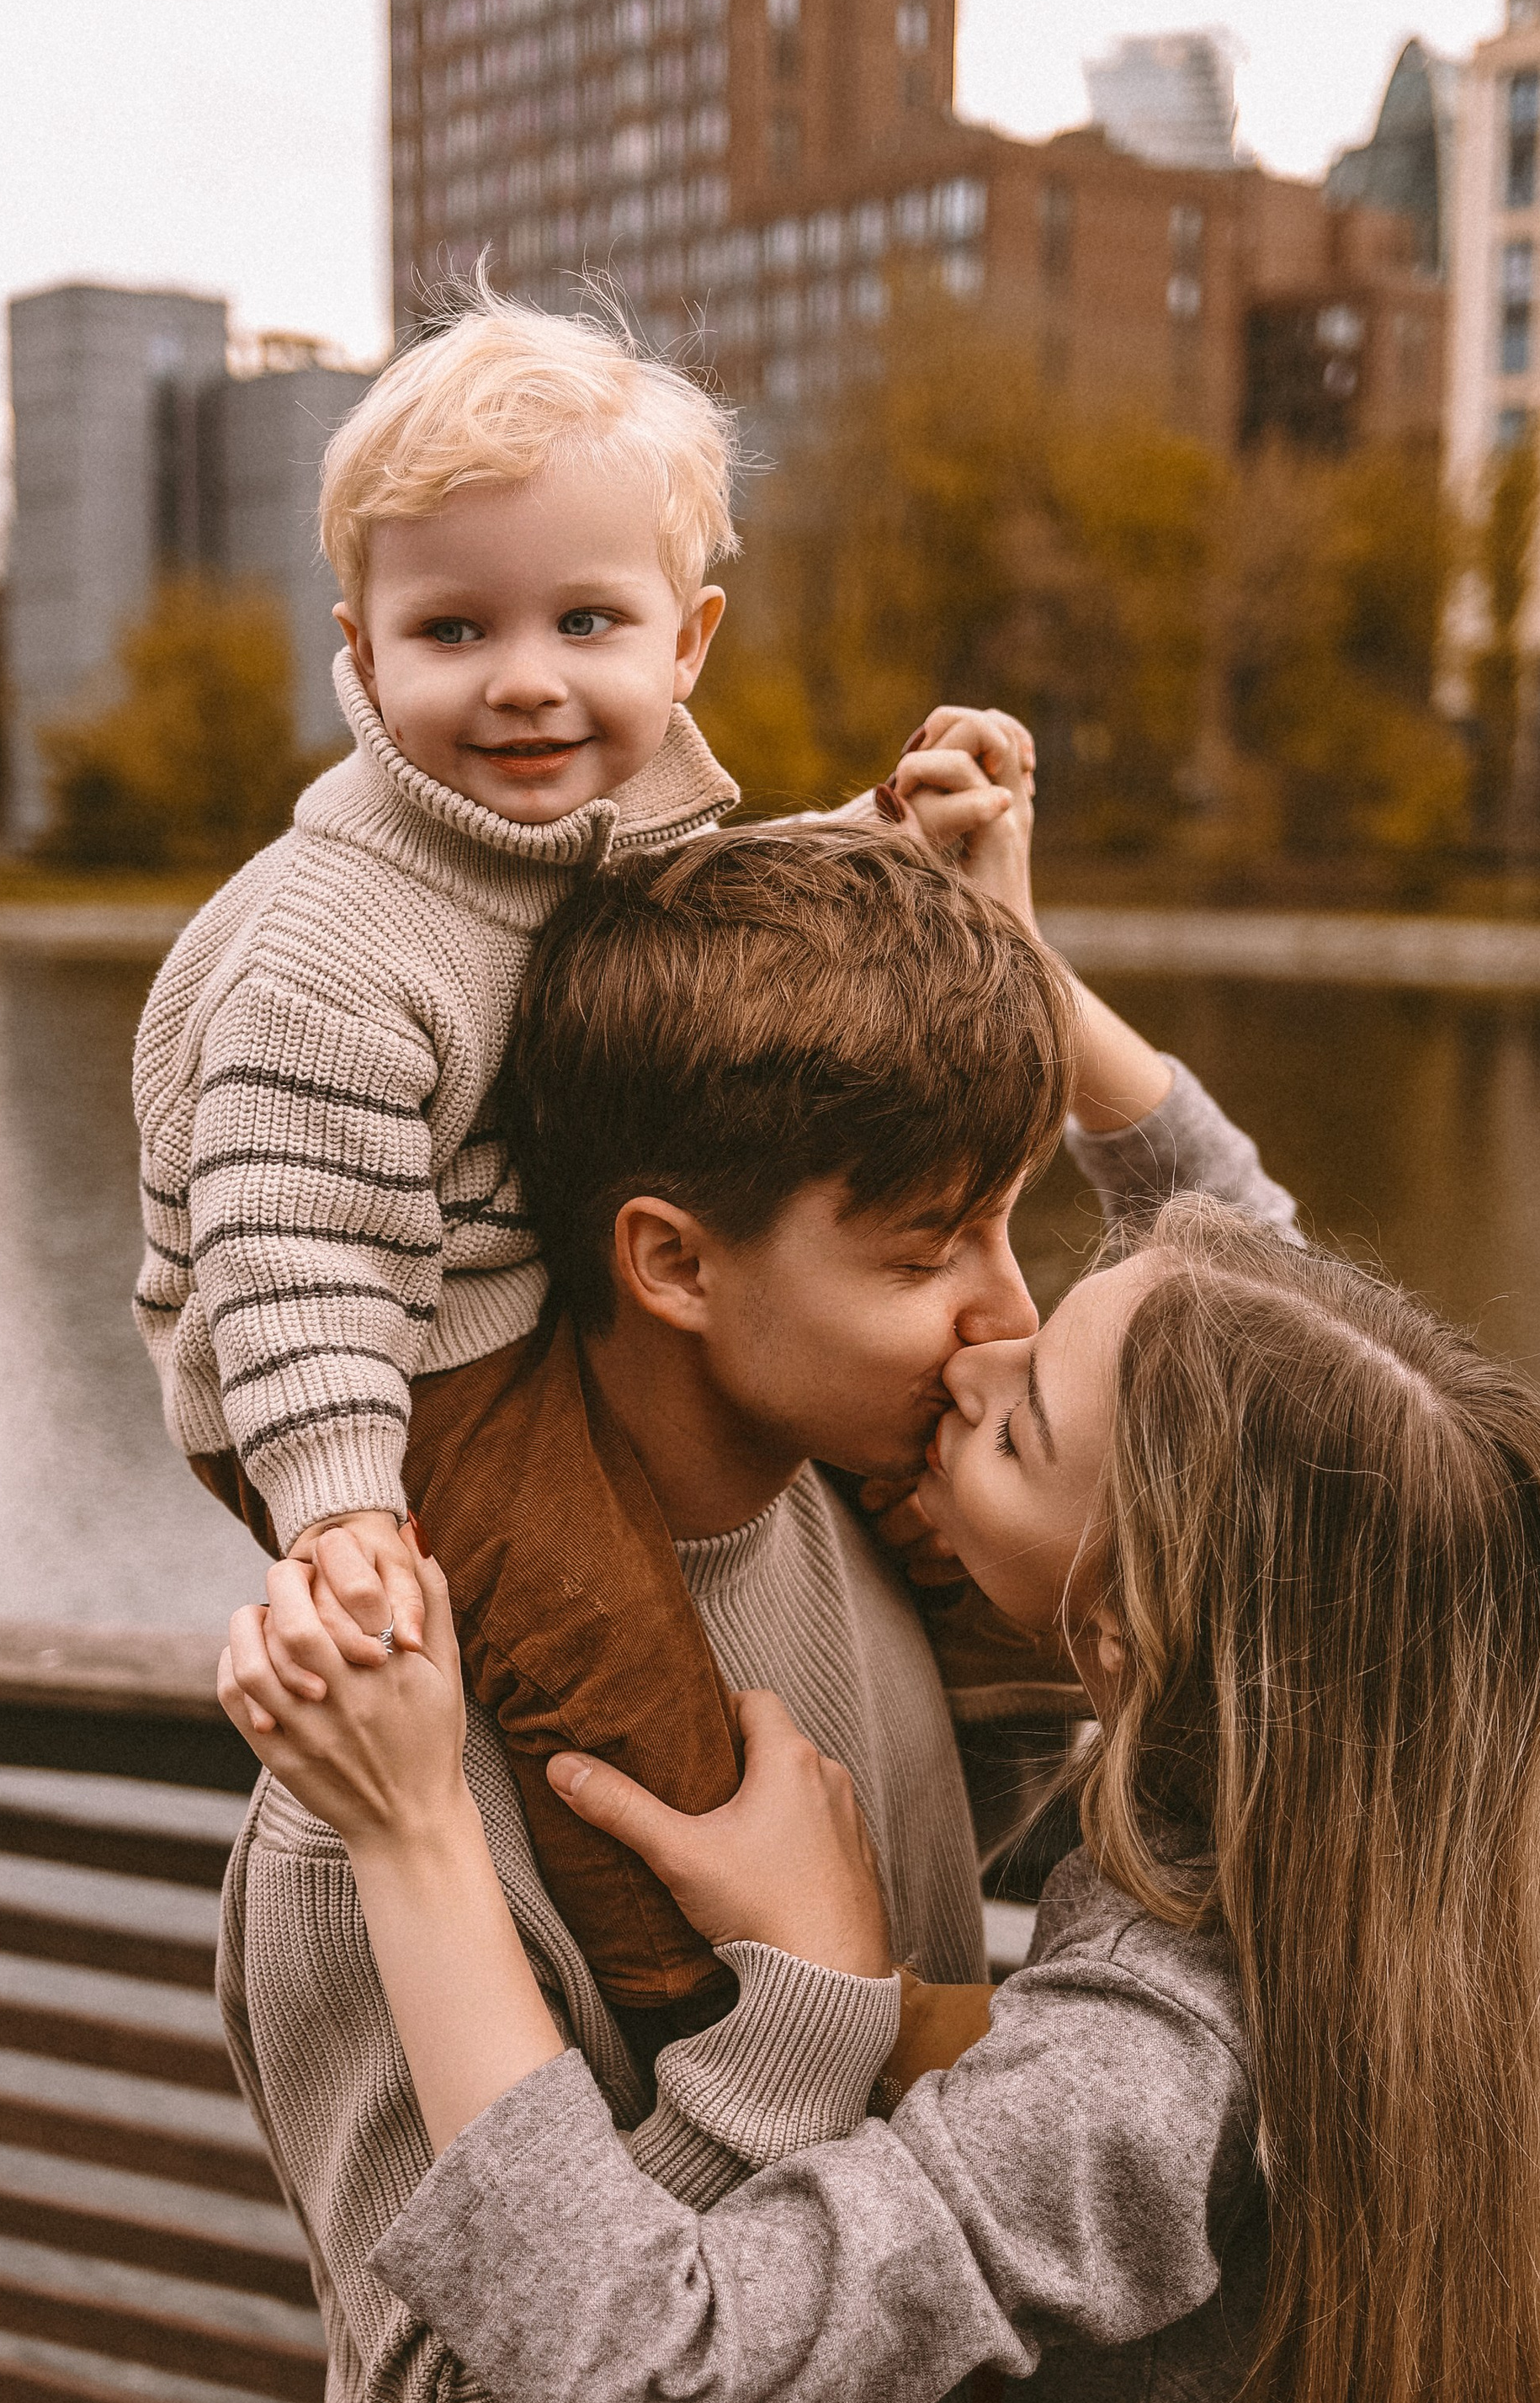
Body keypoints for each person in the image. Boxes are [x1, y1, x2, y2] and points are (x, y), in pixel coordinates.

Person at [225, 1199, 1540, 2403]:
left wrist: (414, 1828)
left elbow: (622, 2351)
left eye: (1026, 1418)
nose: (977, 1357)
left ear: (1116, 1632)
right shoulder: (1387, 1774)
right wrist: (1015, 949)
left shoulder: (1141, 2074)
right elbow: (1319, 1349)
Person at [212, 827, 1303, 2403]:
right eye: (923, 1249)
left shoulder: (850, 1534)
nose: (1004, 1312)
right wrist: (794, 2017)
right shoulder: (390, 1786)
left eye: (1007, 1220)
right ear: (671, 1261)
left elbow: (1263, 1337)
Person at [131, 279, 1036, 2028]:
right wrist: (341, 1515)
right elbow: (295, 1258)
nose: (526, 681)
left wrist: (884, 842)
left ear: (683, 643)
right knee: (608, 1665)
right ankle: (711, 1990)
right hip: (377, 1354)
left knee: (943, 1488)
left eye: (585, 621)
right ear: (359, 651)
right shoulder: (328, 952)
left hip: (490, 1266)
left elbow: (696, 918)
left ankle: (1032, 1730)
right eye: (454, 632)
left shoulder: (573, 820)